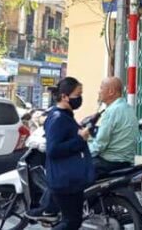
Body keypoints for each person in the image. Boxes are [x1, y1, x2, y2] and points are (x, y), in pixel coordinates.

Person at [43, 77, 94, 230]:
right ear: (64, 96)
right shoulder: (58, 118)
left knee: (73, 221)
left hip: (69, 178)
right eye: (77, 94)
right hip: (64, 179)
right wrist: (80, 139)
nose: (80, 98)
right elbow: (53, 149)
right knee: (71, 222)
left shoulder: (64, 115)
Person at [79, 76, 138, 178]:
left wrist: (80, 151)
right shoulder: (129, 109)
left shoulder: (112, 111)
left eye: (101, 88)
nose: (99, 92)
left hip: (110, 162)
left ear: (111, 91)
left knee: (71, 172)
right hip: (126, 161)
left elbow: (100, 145)